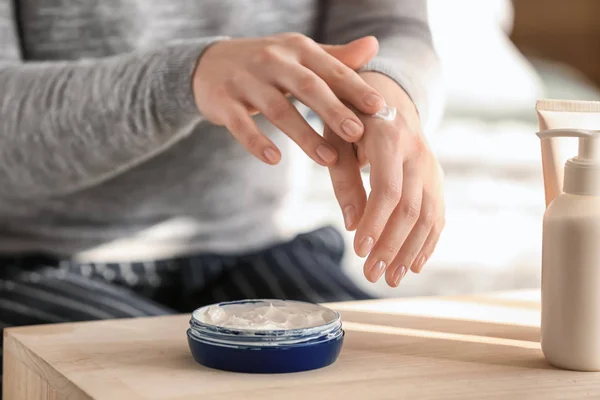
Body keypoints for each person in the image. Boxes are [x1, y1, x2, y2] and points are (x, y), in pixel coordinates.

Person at [0, 0, 444, 386]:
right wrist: (184, 78)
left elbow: (391, 26)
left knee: (405, 370)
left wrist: (386, 95)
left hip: (254, 247)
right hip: (29, 261)